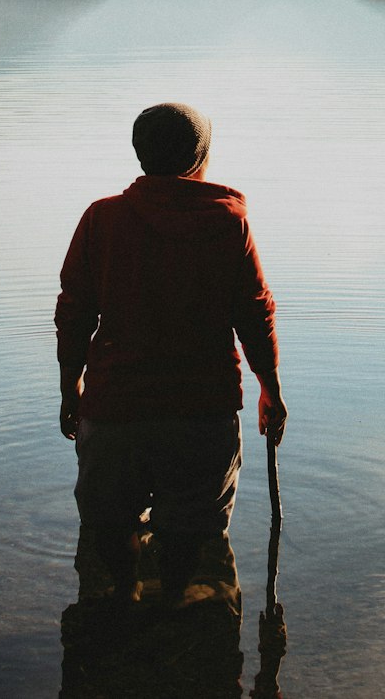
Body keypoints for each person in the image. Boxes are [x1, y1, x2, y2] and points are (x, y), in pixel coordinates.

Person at [55, 101, 287, 604]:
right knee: (192, 526)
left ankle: (121, 597)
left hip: (116, 407)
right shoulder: (228, 223)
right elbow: (255, 313)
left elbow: (74, 311)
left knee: (110, 522)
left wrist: (69, 386)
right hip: (201, 411)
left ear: (139, 154)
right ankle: (176, 603)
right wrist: (270, 388)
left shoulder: (102, 219)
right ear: (202, 156)